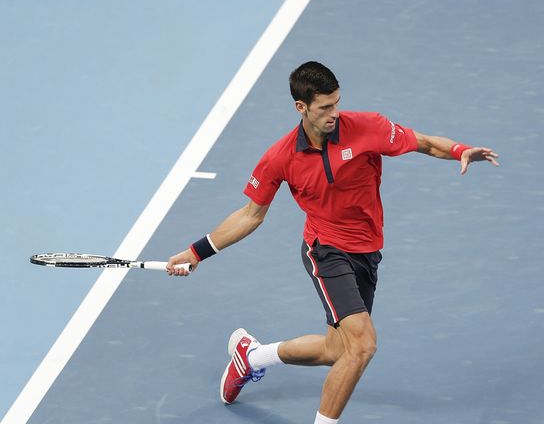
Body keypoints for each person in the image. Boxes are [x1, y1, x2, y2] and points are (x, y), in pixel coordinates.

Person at [166, 61, 499, 424]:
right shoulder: (280, 157)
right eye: (325, 107)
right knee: (363, 345)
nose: (334, 113)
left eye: (336, 103)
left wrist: (459, 150)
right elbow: (250, 215)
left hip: (367, 252)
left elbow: (422, 142)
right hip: (325, 251)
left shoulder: (368, 127)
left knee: (335, 349)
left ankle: (252, 356)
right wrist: (196, 252)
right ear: (301, 108)